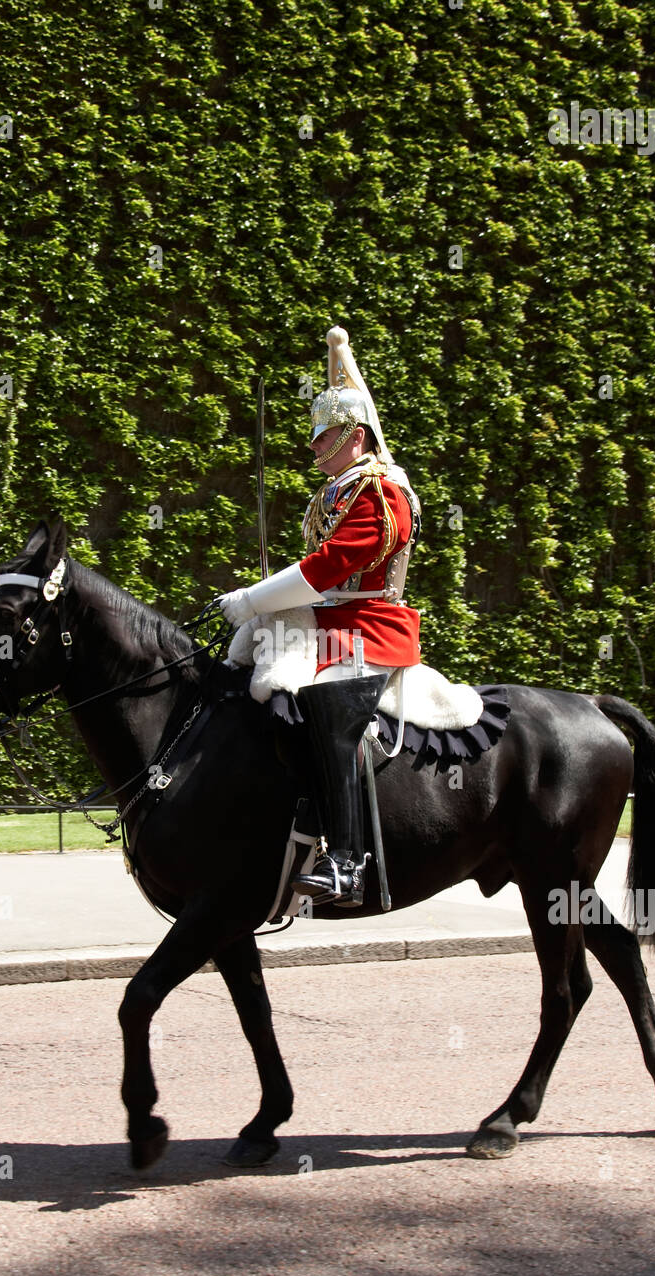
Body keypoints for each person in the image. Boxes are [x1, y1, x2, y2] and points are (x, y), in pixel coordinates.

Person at [218, 326, 421, 907]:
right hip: (326, 625)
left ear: (355, 436)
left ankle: (348, 862)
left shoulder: (383, 495)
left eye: (324, 435)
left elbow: (330, 567)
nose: (312, 446)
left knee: (328, 708)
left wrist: (256, 598)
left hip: (370, 632)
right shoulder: (339, 490)